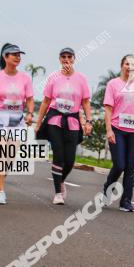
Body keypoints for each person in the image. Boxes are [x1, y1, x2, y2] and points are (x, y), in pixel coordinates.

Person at [34, 47, 92, 205]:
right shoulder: (54, 77)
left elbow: (86, 102)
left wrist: (88, 121)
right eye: (63, 57)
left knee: (70, 159)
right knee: (58, 156)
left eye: (69, 57)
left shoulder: (81, 79)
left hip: (72, 120)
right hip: (55, 119)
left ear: (74, 59)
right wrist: (38, 123)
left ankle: (61, 180)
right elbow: (46, 101)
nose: (66, 59)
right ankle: (58, 193)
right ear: (60, 59)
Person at [0, 44, 34, 205]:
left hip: (17, 120)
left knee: (10, 157)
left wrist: (29, 113)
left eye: (19, 55)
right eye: (14, 54)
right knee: (0, 153)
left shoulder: (25, 78)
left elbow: (29, 99)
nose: (17, 57)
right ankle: (1, 191)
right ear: (5, 57)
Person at [102, 54, 134, 211]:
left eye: (133, 64)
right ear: (122, 65)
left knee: (130, 167)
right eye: (127, 64)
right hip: (117, 129)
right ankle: (108, 189)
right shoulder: (113, 84)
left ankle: (126, 201)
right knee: (119, 165)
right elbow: (108, 109)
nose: (129, 67)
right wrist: (108, 130)